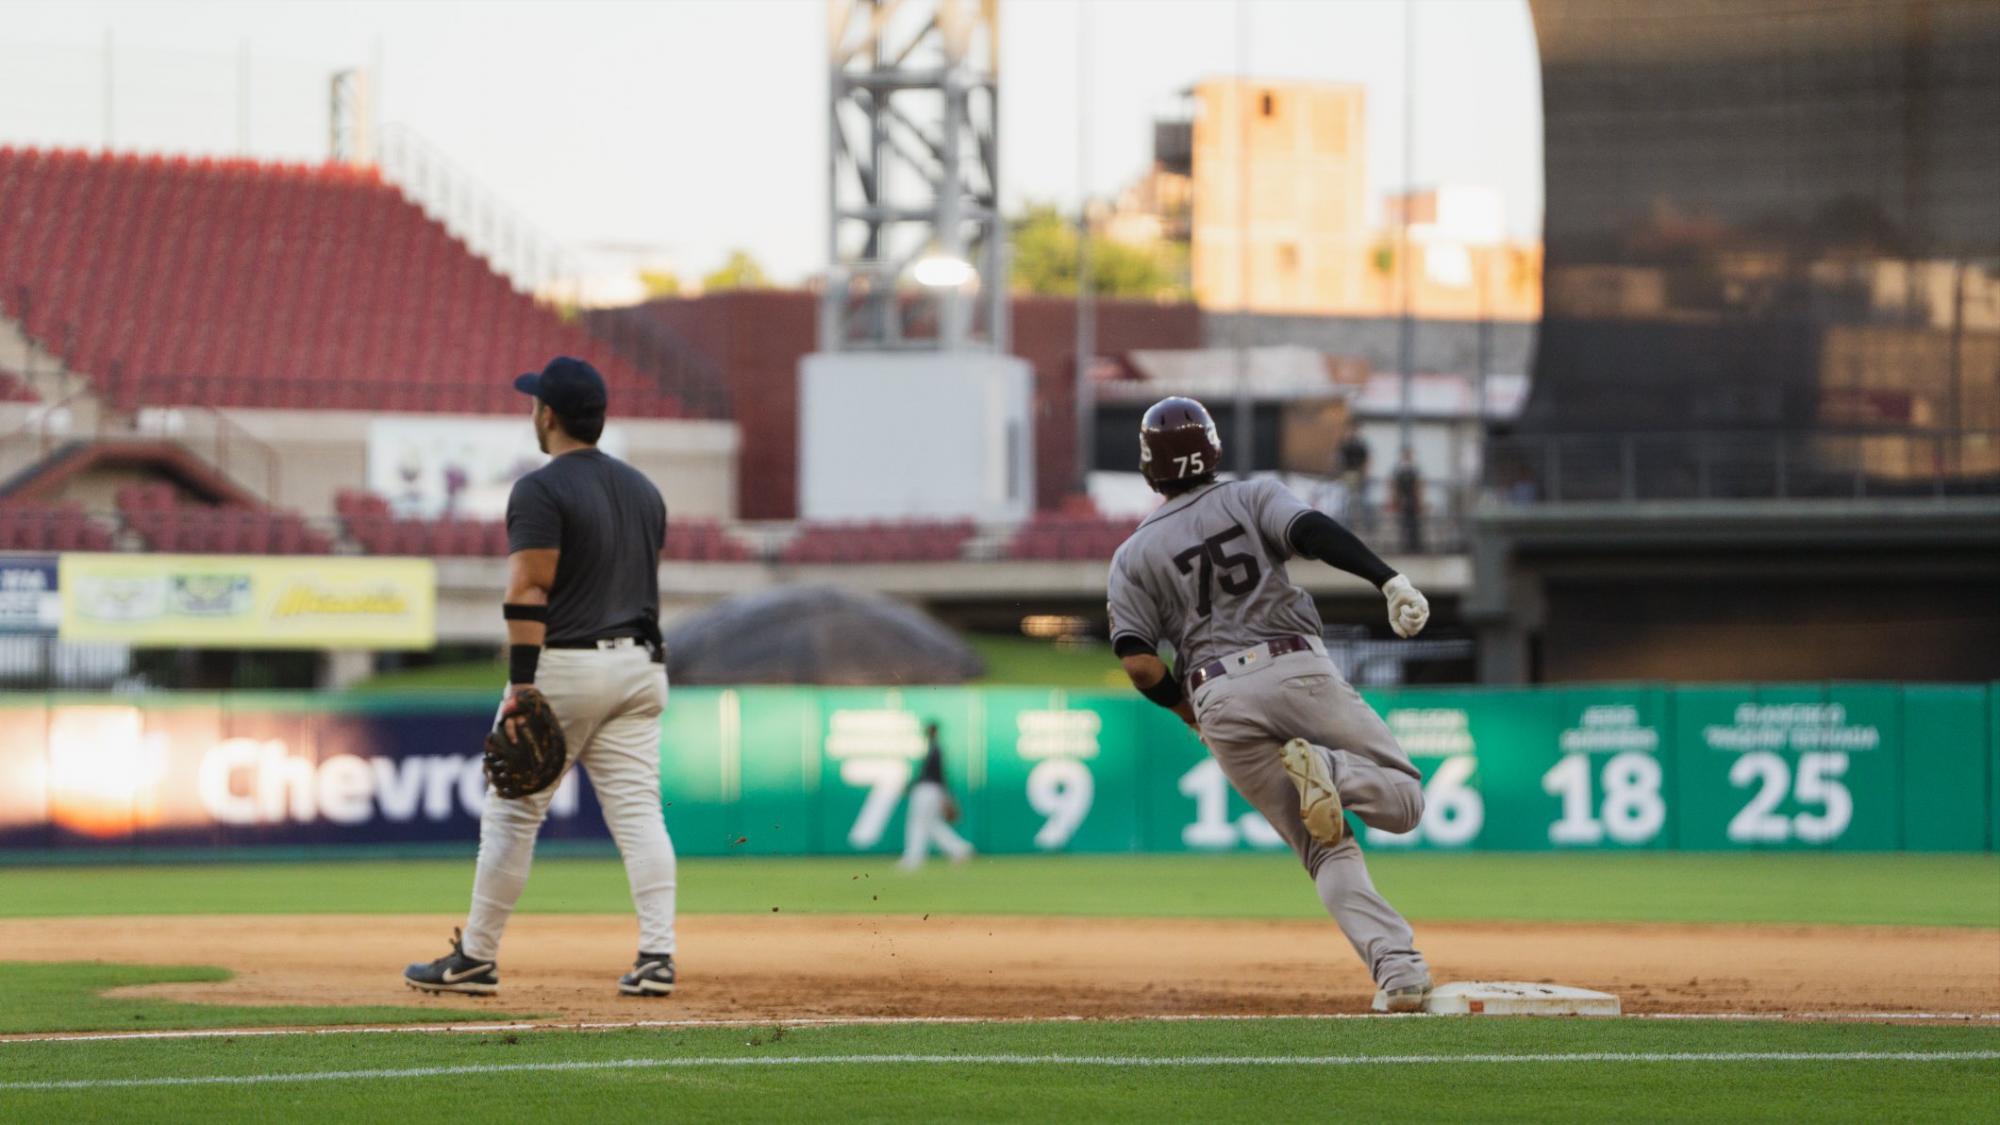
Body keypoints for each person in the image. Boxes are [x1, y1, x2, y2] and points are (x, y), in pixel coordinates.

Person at [1105, 395, 1436, 1012]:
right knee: (1406, 801)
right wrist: (1386, 578)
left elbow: (1140, 661)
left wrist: (1189, 712)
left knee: (1324, 848)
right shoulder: (1250, 497)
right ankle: (1333, 773)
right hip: (1293, 667)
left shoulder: (1132, 555)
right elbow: (1310, 532)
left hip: (1217, 696)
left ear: (1149, 466)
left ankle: (1400, 973)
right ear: (1213, 449)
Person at [404, 356, 679, 999]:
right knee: (639, 814)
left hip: (570, 662)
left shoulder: (540, 489)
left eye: (535, 404)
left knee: (512, 813)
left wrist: (522, 684)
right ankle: (658, 956)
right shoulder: (646, 491)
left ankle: (475, 957)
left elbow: (530, 586)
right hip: (641, 665)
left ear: (547, 415)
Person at [899, 721, 973, 869]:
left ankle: (913, 859)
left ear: (933, 732)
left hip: (928, 790)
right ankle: (960, 849)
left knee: (918, 823)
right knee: (932, 824)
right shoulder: (933, 749)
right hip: (932, 790)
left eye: (929, 730)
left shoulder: (935, 750)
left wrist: (946, 795)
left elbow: (936, 775)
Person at [1392, 447, 1423, 552]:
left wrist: (1419, 500)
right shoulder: (1399, 470)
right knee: (1404, 522)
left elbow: (1418, 485)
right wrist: (1396, 499)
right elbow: (1395, 485)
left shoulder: (1414, 469)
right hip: (1403, 497)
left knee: (1414, 522)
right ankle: (1405, 544)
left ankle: (1414, 544)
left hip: (1412, 498)